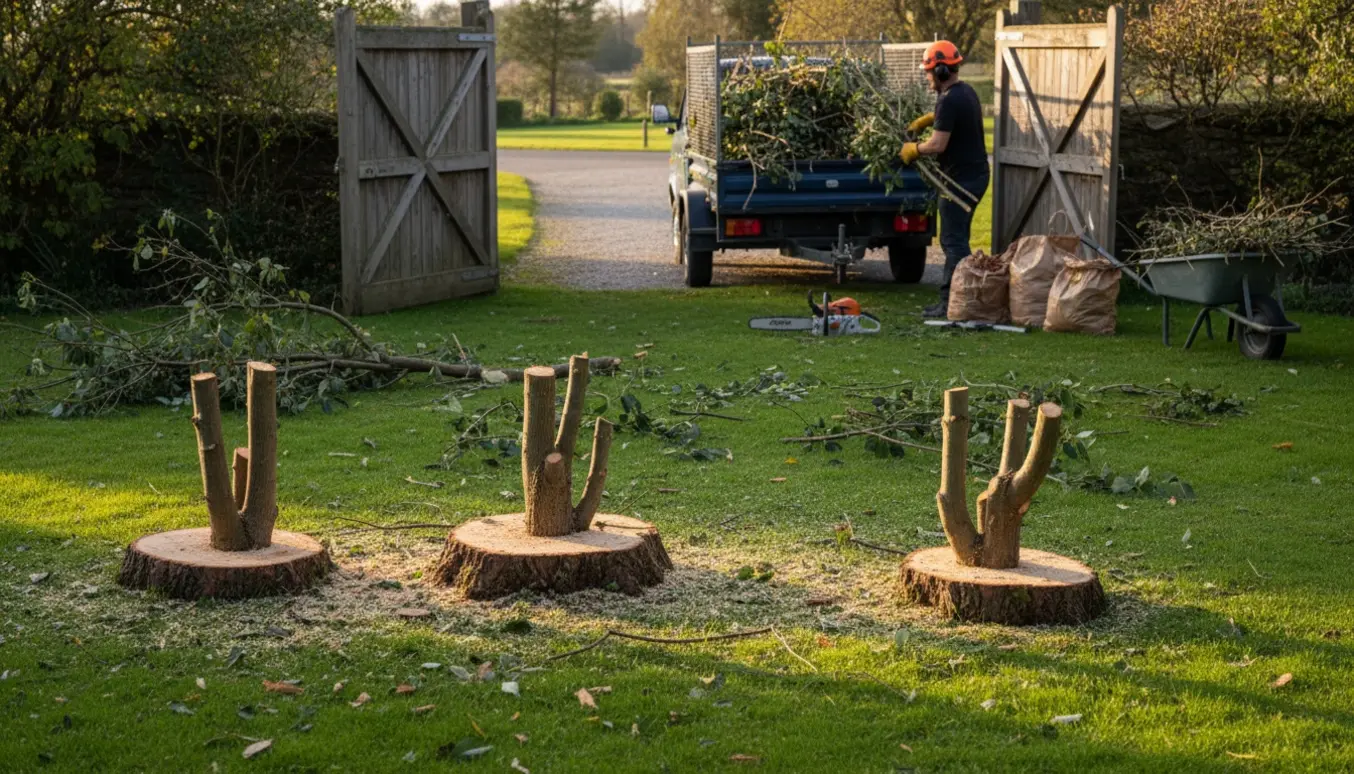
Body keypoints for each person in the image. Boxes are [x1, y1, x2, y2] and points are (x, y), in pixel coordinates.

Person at [899, 40, 991, 318]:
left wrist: (914, 149)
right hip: (971, 176)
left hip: (961, 181)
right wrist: (930, 117)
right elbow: (952, 119)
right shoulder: (965, 92)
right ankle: (960, 301)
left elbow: (938, 145)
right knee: (957, 239)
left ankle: (952, 302)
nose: (927, 77)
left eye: (928, 72)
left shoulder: (949, 100)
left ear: (940, 71)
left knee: (953, 243)